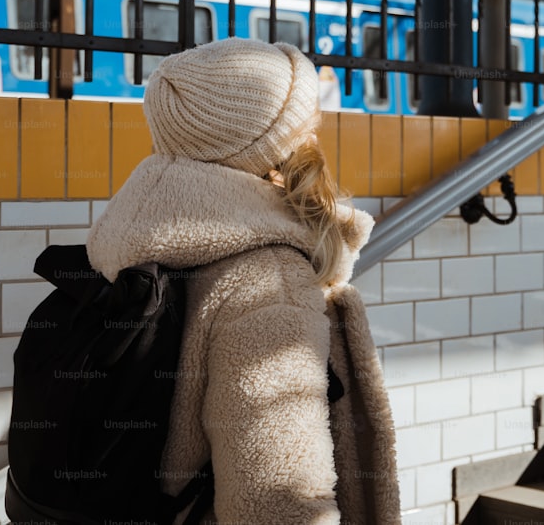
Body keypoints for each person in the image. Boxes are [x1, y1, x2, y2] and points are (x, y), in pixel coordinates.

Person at [87, 37, 400, 524]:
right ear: (269, 149)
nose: (316, 138)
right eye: (307, 126)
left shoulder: (129, 244)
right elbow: (276, 501)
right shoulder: (269, 283)